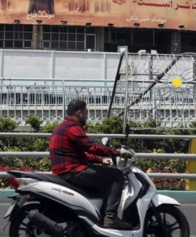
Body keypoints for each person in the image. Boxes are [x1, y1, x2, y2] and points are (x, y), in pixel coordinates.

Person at [49, 99, 134, 230]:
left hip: (65, 171)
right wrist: (117, 152)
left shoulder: (61, 127)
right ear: (79, 113)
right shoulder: (73, 128)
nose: (87, 116)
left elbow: (80, 154)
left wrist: (101, 160)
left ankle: (99, 218)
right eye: (86, 112)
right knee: (116, 175)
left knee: (105, 177)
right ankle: (110, 217)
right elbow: (91, 147)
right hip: (72, 171)